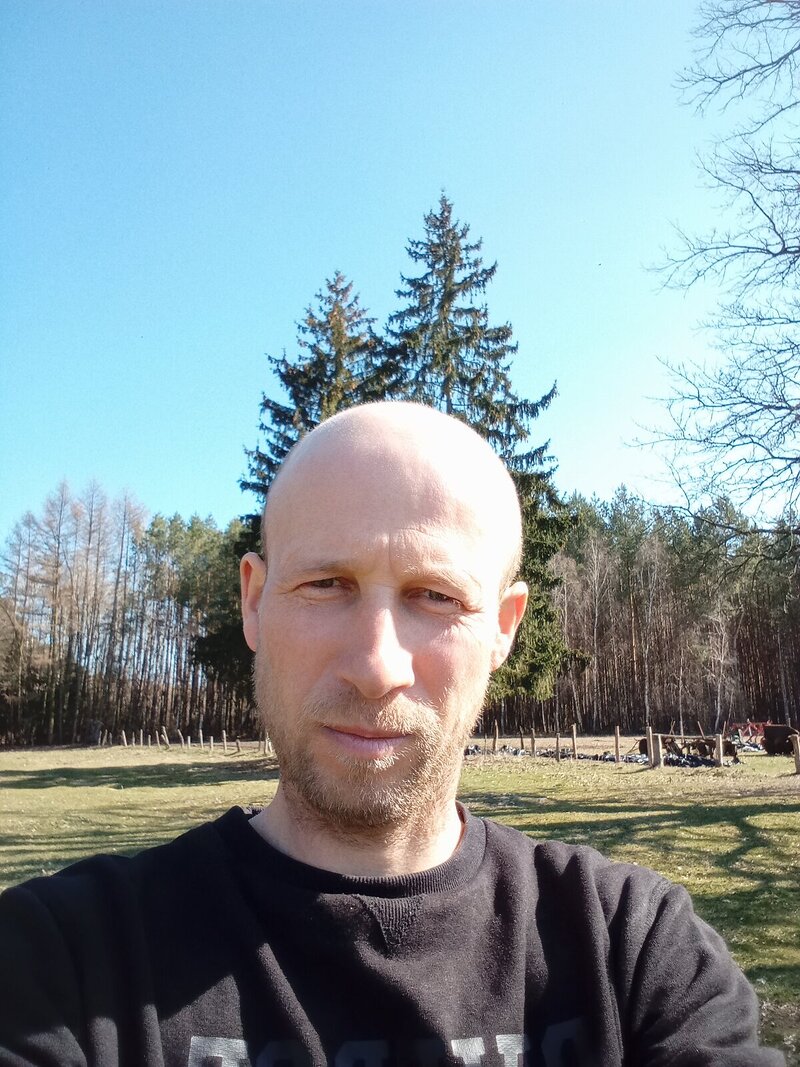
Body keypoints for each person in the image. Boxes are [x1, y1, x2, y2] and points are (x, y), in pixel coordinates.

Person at [0, 402, 784, 1067]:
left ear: (505, 627)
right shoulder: (59, 961)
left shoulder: (632, 951)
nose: (377, 667)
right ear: (254, 601)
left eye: (436, 596)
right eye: (326, 583)